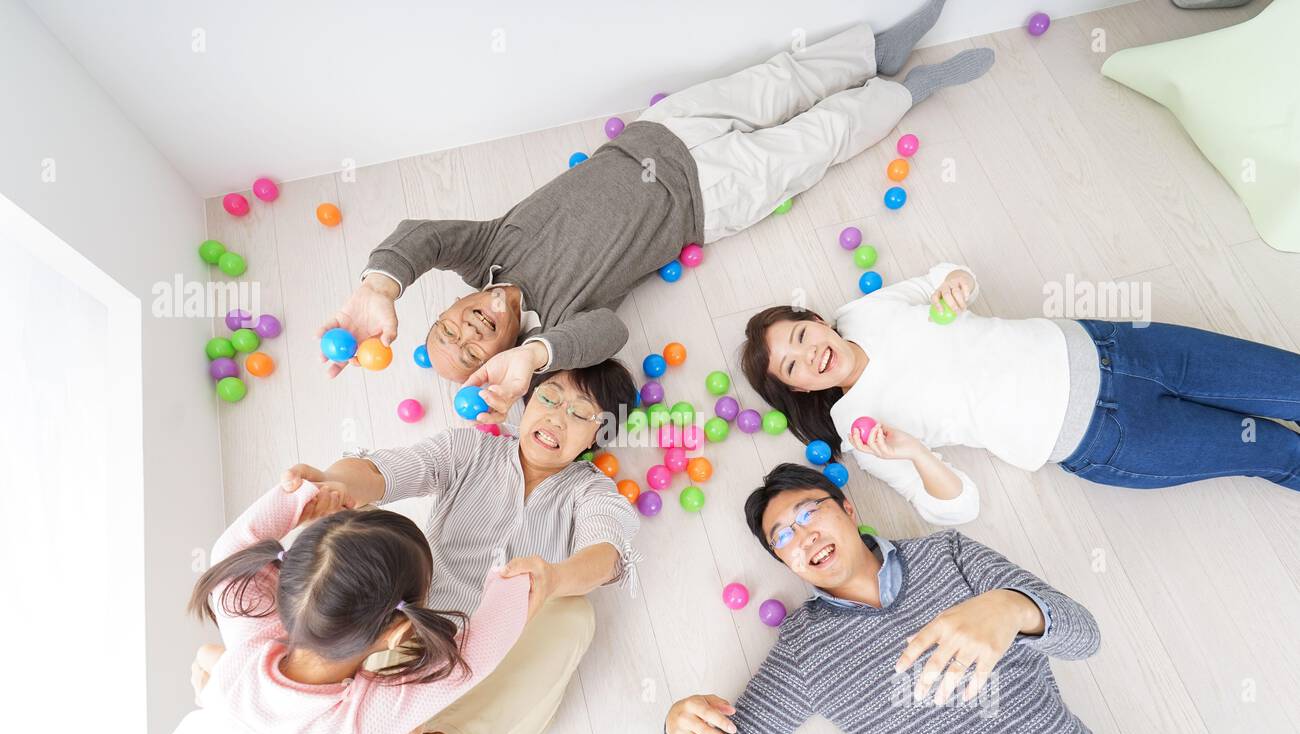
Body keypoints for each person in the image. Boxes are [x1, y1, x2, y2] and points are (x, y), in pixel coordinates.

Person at [321, 1, 995, 425]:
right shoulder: (556, 324)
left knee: (781, 79)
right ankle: (906, 93)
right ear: (495, 354)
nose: (469, 332)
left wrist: (378, 286)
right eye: (474, 350)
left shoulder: (488, 250)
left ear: (444, 308)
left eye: (449, 329)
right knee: (819, 141)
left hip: (660, 134)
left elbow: (418, 236)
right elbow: (607, 332)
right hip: (710, 198)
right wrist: (533, 358)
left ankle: (875, 51)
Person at [663, 464, 1201, 734]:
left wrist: (1011, 607)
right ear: (786, 562)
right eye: (783, 537)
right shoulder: (805, 650)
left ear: (848, 510)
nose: (803, 536)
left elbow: (1085, 638)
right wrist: (680, 729)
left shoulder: (949, 556)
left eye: (810, 513)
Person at [279, 360, 641, 734]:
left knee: (575, 612)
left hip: (494, 708)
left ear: (597, 437)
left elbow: (607, 556)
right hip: (411, 660)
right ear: (527, 402)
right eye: (549, 398)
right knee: (366, 538)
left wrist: (552, 580)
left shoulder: (593, 494)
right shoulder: (470, 450)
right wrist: (333, 483)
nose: (556, 417)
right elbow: (383, 472)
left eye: (580, 413)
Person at [740, 263, 1300, 523]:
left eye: (800, 335)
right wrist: (911, 451)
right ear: (799, 388)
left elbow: (946, 274)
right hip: (1108, 437)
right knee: (1275, 452)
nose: (809, 353)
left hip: (1113, 346)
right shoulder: (864, 431)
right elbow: (956, 505)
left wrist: (957, 284)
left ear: (816, 319)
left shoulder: (863, 311)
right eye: (794, 367)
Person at [171, 479, 531, 734]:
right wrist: (514, 582)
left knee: (213, 660)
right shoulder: (368, 715)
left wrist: (297, 495)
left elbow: (231, 550)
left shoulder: (246, 646)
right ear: (397, 633)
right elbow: (478, 654)